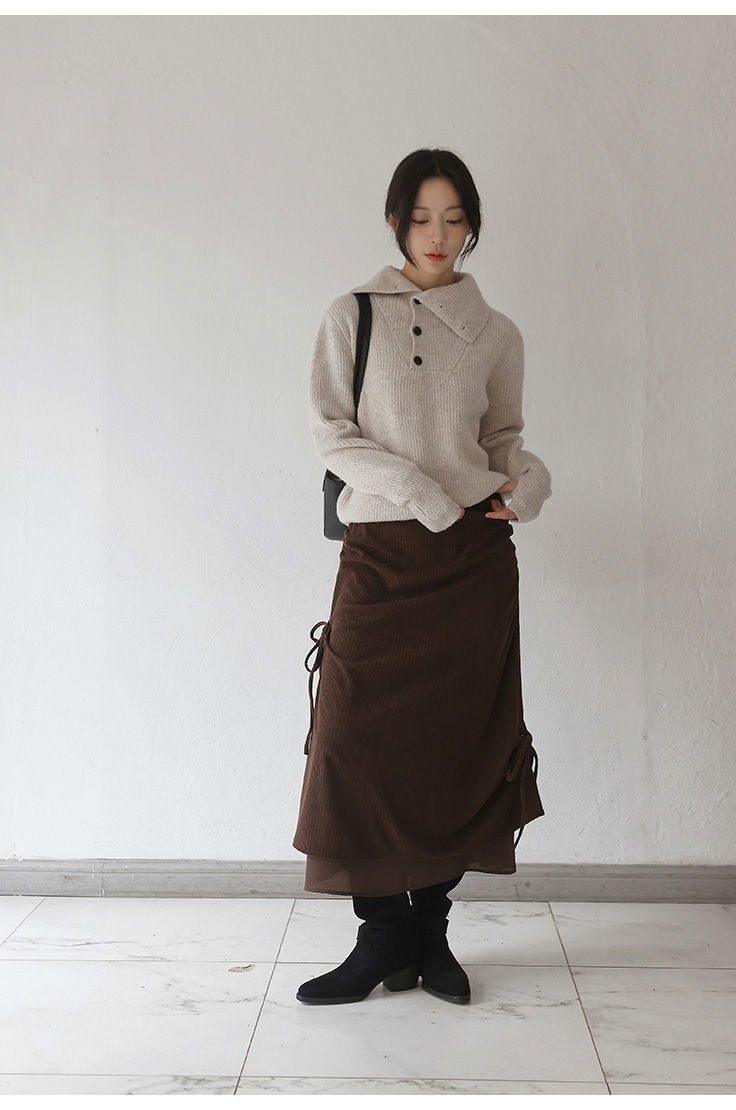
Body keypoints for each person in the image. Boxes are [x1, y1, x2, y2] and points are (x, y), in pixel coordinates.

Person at [292, 149, 552, 1006]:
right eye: (421, 218)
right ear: (395, 221)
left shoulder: (498, 332)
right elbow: (333, 433)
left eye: (454, 218)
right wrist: (421, 492)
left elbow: (503, 442)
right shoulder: (352, 314)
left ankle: (429, 937)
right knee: (353, 744)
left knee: (454, 749)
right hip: (382, 553)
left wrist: (531, 484)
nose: (438, 235)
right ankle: (380, 940)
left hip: (472, 561)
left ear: (472, 224)